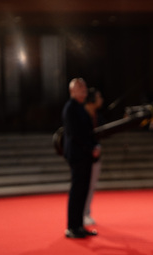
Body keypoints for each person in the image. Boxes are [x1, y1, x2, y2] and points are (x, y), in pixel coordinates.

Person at [62, 78, 101, 238]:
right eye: (80, 87)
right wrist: (90, 147)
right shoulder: (71, 108)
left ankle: (78, 225)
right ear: (72, 91)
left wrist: (94, 145)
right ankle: (72, 227)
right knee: (77, 191)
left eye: (85, 87)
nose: (84, 90)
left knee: (83, 190)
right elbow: (76, 133)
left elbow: (87, 131)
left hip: (84, 154)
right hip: (78, 155)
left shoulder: (80, 107)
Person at [83, 87, 104, 225]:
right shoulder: (83, 115)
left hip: (95, 155)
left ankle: (86, 212)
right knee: (84, 185)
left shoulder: (97, 116)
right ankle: (83, 213)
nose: (101, 100)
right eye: (98, 97)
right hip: (84, 155)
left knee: (91, 185)